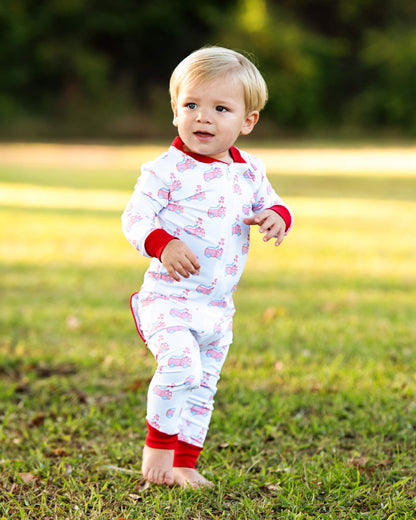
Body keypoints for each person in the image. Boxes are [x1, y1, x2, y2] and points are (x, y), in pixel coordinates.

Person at [121, 46, 293, 488]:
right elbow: (135, 218)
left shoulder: (249, 171)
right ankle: (156, 455)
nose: (203, 117)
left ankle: (184, 463)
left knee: (203, 387)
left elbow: (270, 202)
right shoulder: (165, 170)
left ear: (247, 121)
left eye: (221, 108)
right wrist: (163, 243)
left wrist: (277, 216)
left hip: (217, 307)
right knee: (180, 367)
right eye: (192, 105)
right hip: (168, 299)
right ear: (175, 110)